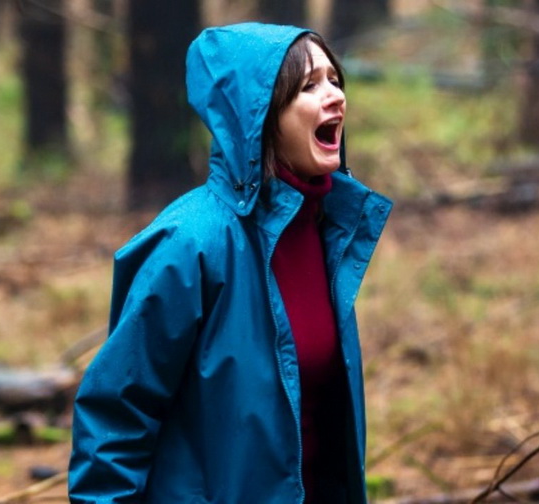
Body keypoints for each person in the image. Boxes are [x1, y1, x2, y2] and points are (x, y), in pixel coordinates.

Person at [67, 23, 392, 504]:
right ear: (258, 115)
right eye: (309, 86)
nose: (335, 96)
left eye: (334, 79)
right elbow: (116, 416)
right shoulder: (190, 243)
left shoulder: (328, 228)